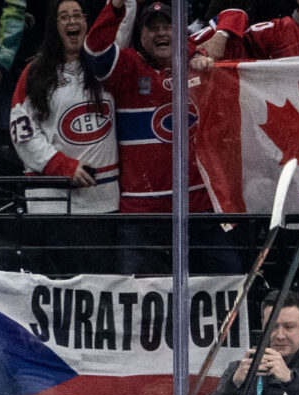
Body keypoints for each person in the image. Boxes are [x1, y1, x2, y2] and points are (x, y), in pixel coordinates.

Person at [83, 0, 239, 274]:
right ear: (141, 35)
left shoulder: (194, 57)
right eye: (153, 28)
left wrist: (215, 42)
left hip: (199, 210)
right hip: (143, 216)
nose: (161, 33)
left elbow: (235, 14)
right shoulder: (128, 66)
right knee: (138, 293)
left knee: (228, 283)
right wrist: (115, 8)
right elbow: (95, 51)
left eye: (168, 26)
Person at [9, 0, 119, 275]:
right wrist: (64, 167)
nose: (72, 22)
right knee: (58, 288)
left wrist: (117, 6)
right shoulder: (35, 72)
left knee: (100, 287)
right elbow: (22, 132)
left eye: (78, 15)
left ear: (87, 22)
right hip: (52, 205)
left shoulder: (107, 68)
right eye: (64, 17)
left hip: (102, 203)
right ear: (54, 26)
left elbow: (120, 23)